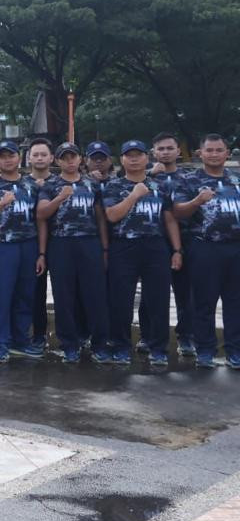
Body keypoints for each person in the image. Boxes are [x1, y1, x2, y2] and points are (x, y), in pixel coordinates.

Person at [102, 140, 184, 366]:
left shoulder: (160, 186)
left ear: (147, 158)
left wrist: (176, 249)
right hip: (123, 246)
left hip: (155, 246)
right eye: (129, 155)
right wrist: (134, 195)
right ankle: (120, 346)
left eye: (139, 155)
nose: (134, 159)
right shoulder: (113, 186)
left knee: (158, 299)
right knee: (121, 300)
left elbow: (169, 218)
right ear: (122, 160)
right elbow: (112, 216)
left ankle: (158, 347)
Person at [37, 142, 111, 364]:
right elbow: (41, 213)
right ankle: (69, 343)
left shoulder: (92, 184)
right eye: (64, 157)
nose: (69, 161)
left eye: (73, 156)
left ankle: (99, 343)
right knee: (64, 296)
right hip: (61, 243)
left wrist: (104, 247)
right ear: (57, 161)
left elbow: (100, 218)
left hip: (89, 242)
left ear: (80, 159)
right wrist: (60, 197)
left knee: (95, 295)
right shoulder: (50, 185)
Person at [172, 134, 240, 369]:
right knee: (203, 301)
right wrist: (197, 201)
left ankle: (235, 351)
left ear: (226, 153)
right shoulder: (189, 181)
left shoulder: (236, 180)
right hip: (204, 247)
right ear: (201, 153)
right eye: (209, 150)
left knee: (235, 302)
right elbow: (177, 212)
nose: (213, 154)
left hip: (235, 248)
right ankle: (205, 350)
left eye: (218, 150)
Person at [0, 141, 42, 363]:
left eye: (11, 155)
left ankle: (20, 339)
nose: (7, 159)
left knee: (25, 294)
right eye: (2, 156)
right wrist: (1, 204)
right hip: (2, 245)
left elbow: (41, 219)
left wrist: (41, 252)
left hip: (28, 244)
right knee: (2, 295)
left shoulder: (32, 186)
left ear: (19, 158)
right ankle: (0, 343)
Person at [148, 132, 194, 357]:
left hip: (185, 239)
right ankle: (148, 336)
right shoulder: (146, 178)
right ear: (153, 152)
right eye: (161, 149)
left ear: (178, 151)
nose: (165, 152)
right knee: (151, 293)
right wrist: (148, 174)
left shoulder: (190, 179)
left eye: (169, 148)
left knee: (185, 292)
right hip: (153, 240)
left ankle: (186, 336)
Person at [25, 139, 55, 350]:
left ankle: (74, 335)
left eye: (43, 154)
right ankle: (37, 333)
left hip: (62, 241)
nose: (39, 158)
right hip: (31, 242)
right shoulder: (21, 183)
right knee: (35, 291)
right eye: (35, 154)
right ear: (29, 158)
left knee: (67, 291)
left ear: (51, 158)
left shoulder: (62, 182)